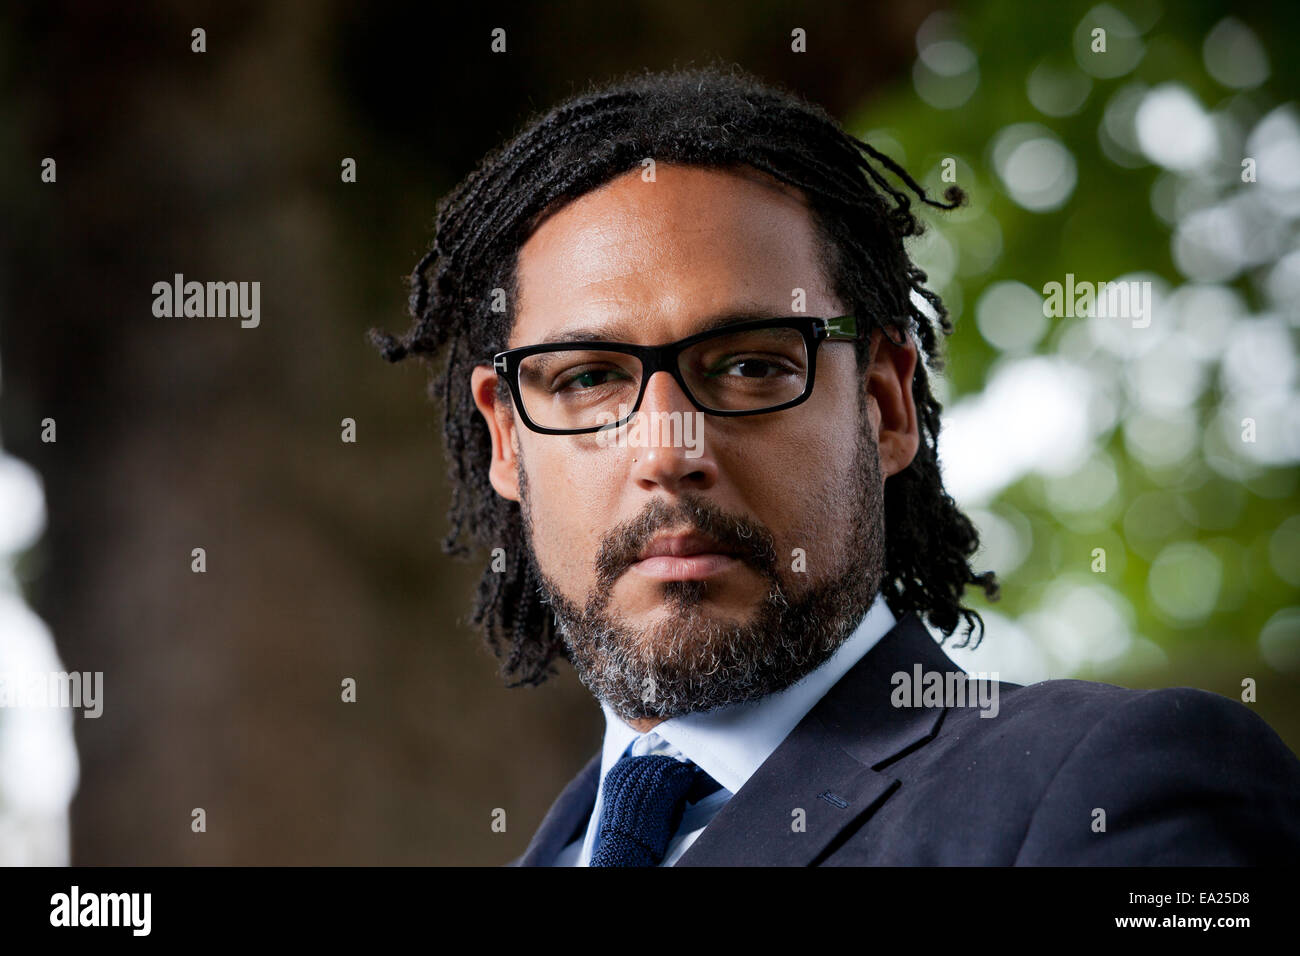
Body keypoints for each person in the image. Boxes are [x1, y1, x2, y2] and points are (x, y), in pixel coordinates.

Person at [371, 64, 1300, 866]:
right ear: (505, 439)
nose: (667, 451)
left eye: (748, 366)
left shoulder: (1115, 785)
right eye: (588, 379)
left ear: (887, 404)